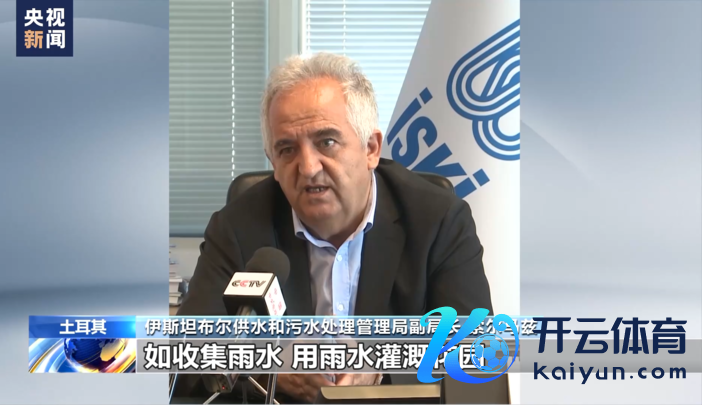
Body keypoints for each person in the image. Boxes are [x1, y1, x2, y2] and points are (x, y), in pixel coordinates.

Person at [176, 52, 493, 403]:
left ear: (371, 149)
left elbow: (475, 360)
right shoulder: (238, 227)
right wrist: (269, 370)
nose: (308, 168)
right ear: (273, 163)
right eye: (287, 150)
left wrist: (381, 368)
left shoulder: (437, 221)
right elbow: (185, 358)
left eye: (326, 142)